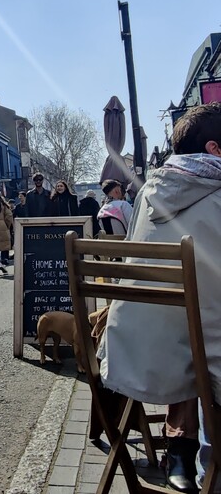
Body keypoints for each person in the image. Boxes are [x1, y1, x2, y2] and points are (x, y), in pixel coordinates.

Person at [98, 103, 221, 492]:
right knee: (201, 339)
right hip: (199, 358)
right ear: (215, 149)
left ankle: (184, 447)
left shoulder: (149, 191)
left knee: (190, 329)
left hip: (134, 349)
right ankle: (201, 462)